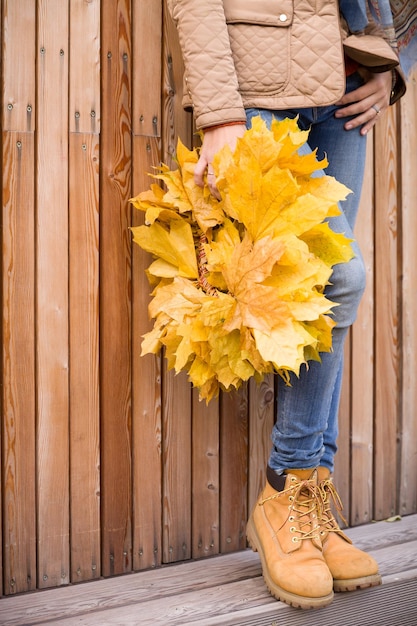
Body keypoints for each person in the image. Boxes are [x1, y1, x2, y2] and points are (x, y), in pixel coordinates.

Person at [167, 0, 406, 610]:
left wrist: (393, 63)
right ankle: (287, 486)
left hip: (344, 85)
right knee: (339, 278)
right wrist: (220, 111)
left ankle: (311, 504)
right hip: (259, 91)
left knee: (321, 298)